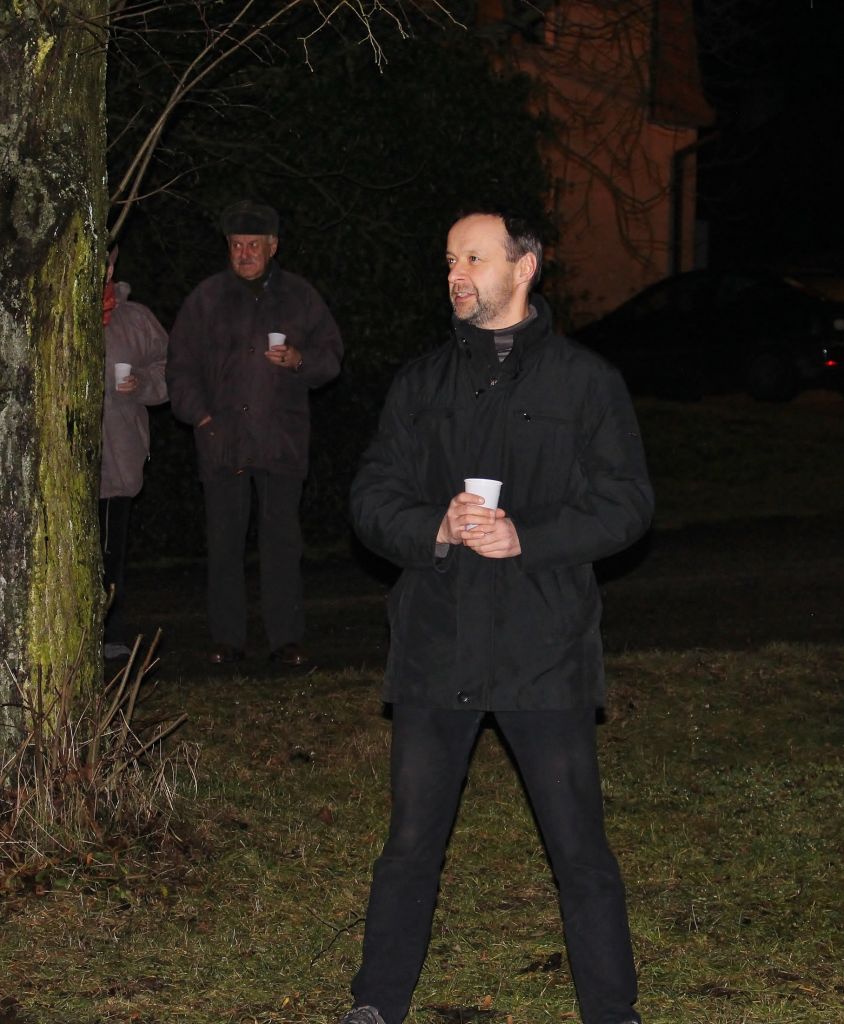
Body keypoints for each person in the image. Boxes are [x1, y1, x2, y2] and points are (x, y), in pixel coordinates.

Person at [340, 210, 654, 1024]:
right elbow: (370, 496)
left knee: (578, 846)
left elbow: (627, 503)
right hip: (437, 643)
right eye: (450, 259)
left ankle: (612, 1009)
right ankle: (376, 1003)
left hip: (541, 646)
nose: (457, 274)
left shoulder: (585, 383)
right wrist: (434, 527)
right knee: (411, 844)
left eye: (475, 258)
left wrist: (529, 538)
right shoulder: (421, 385)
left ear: (524, 267)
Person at [166, 200, 343, 667]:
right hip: (222, 440)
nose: (244, 254)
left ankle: (286, 639)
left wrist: (299, 360)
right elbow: (179, 365)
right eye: (236, 245)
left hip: (281, 438)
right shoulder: (205, 298)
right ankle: (228, 639)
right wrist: (200, 416)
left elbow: (331, 356)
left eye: (253, 245)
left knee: (281, 543)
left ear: (273, 246)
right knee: (224, 544)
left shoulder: (300, 297)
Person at [100, 251, 169, 660]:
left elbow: (169, 369)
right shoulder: (51, 312)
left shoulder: (136, 319)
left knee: (110, 553)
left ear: (112, 266)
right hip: (62, 464)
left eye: (106, 262)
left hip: (119, 456)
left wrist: (140, 383)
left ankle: (109, 633)